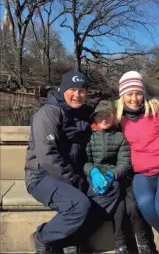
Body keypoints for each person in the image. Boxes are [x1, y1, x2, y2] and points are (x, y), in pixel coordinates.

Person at [115, 71, 159, 254]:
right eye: (129, 94)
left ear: (143, 93)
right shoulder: (118, 118)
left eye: (138, 93)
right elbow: (99, 125)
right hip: (142, 173)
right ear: (122, 95)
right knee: (146, 205)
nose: (134, 98)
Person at [25, 70, 94, 253]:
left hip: (73, 173)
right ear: (62, 89)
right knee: (79, 205)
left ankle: (72, 240)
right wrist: (74, 181)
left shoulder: (82, 113)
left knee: (109, 194)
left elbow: (107, 115)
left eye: (81, 91)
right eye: (72, 89)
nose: (77, 95)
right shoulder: (48, 114)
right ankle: (43, 237)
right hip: (42, 175)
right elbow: (48, 156)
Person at [84, 99, 157, 254]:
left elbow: (125, 163)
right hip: (95, 176)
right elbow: (85, 161)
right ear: (94, 118)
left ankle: (133, 244)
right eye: (99, 116)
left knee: (126, 205)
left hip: (117, 177)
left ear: (114, 117)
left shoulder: (120, 137)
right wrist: (93, 171)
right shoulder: (89, 136)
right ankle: (114, 244)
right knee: (107, 204)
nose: (103, 119)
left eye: (107, 115)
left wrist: (112, 174)